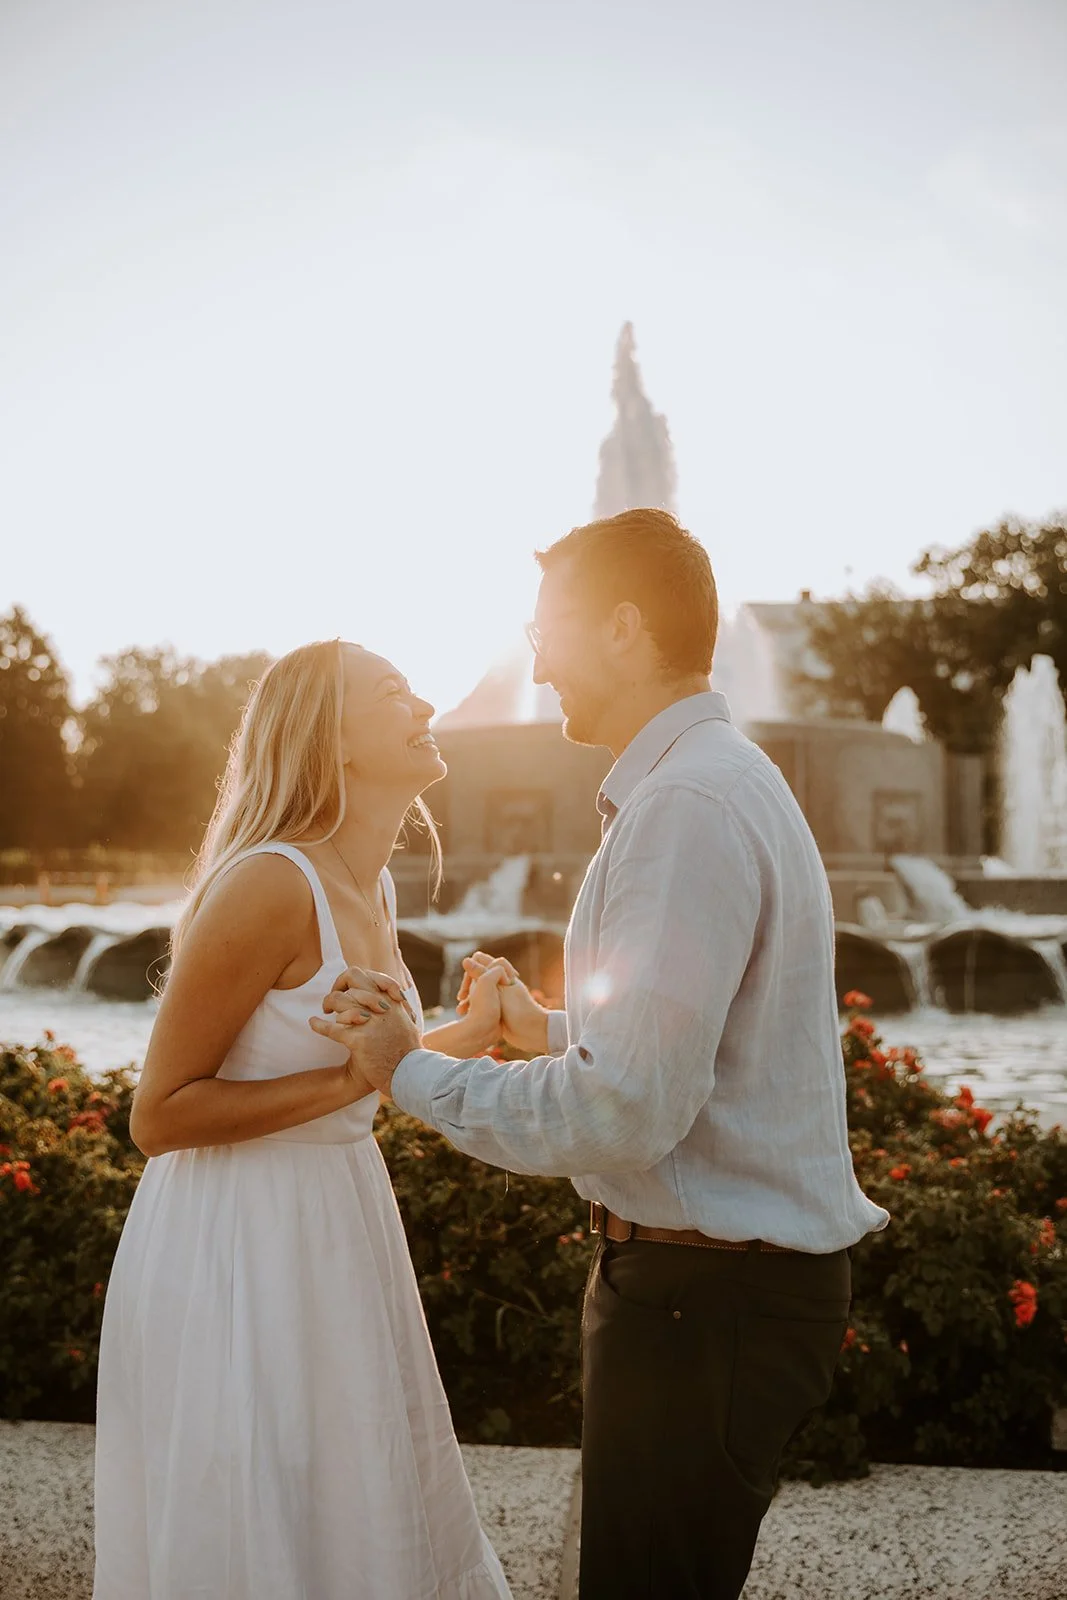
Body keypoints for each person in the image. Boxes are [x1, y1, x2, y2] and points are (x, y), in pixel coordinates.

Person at [318, 509, 891, 1600]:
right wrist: (553, 1032)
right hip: (710, 1295)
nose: (535, 659)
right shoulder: (714, 779)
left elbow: (625, 1112)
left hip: (699, 1303)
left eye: (550, 628)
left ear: (623, 629)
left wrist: (406, 1069)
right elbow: (684, 1047)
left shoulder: (682, 803)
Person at [94, 640, 513, 1600]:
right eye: (393, 692)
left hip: (337, 1218)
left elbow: (370, 1055)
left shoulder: (372, 881)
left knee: (351, 1504)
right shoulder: (270, 884)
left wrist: (469, 1032)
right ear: (335, 741)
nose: (425, 704)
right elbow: (157, 1114)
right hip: (236, 1243)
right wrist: (361, 1078)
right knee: (259, 1517)